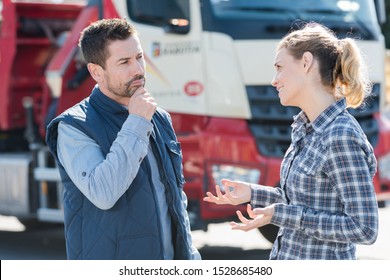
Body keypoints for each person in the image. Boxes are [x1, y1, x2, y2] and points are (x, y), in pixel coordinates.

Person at [204, 22, 379, 260]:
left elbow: (364, 228)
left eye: (279, 67)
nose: (274, 80)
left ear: (306, 62)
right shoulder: (305, 128)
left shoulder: (340, 136)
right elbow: (305, 201)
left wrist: (283, 215)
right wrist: (254, 194)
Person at [46, 18, 200, 260]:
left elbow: (174, 200)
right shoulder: (73, 126)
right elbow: (104, 193)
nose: (138, 69)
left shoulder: (158, 117)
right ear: (97, 72)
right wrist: (137, 122)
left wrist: (191, 258)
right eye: (124, 62)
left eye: (139, 57)